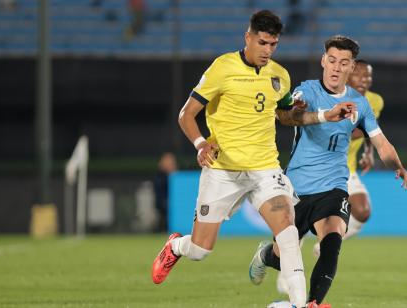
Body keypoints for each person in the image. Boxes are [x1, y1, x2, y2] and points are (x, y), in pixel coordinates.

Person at [150, 10, 356, 308]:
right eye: (262, 43)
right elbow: (186, 114)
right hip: (223, 170)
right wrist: (199, 143)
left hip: (265, 169)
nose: (267, 50)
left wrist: (321, 114)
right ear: (248, 37)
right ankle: (176, 246)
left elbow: (286, 115)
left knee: (287, 230)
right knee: (201, 249)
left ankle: (302, 305)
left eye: (273, 44)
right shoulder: (223, 68)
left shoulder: (279, 76)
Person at [249, 35, 407, 307]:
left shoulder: (360, 104)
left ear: (351, 68)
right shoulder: (307, 91)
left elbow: (381, 142)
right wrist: (306, 112)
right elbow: (287, 116)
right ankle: (266, 256)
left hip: (335, 184)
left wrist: (399, 167)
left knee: (332, 241)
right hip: (298, 186)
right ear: (323, 61)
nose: (337, 67)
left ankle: (312, 304)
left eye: (344, 63)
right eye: (333, 60)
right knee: (282, 256)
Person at [311, 59, 384, 257]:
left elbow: (366, 129)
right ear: (347, 73)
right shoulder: (328, 96)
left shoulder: (374, 100)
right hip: (314, 166)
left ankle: (327, 243)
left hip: (345, 168)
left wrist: (369, 151)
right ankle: (284, 270)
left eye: (368, 75)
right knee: (299, 221)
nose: (364, 79)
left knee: (362, 211)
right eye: (359, 74)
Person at [153, 152, 177, 232]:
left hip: (174, 202)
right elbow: (160, 189)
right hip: (162, 201)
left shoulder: (177, 176)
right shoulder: (159, 176)